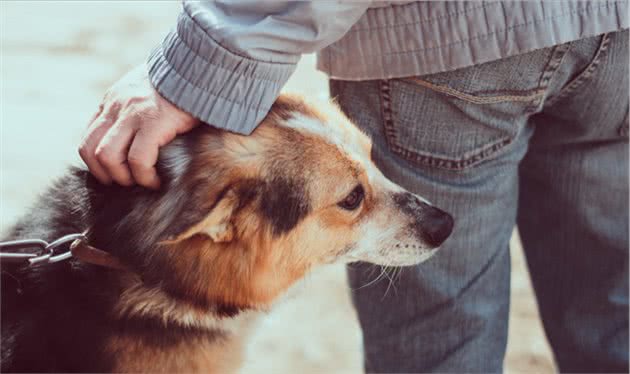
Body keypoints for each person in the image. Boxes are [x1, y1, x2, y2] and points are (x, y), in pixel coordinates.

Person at [78, 1, 629, 372]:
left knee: (441, 343)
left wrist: (203, 64)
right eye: (352, 199)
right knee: (615, 311)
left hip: (451, 44)